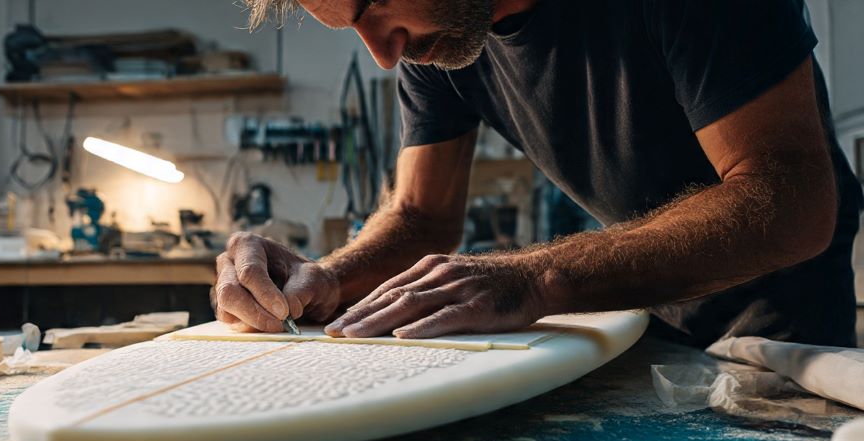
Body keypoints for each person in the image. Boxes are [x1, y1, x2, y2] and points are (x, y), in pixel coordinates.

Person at [214, 0, 863, 348]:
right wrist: (324, 278)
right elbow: (419, 217)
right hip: (640, 326)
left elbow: (790, 197)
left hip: (785, 339)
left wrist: (535, 276)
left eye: (376, 2)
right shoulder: (437, 36)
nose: (383, 54)